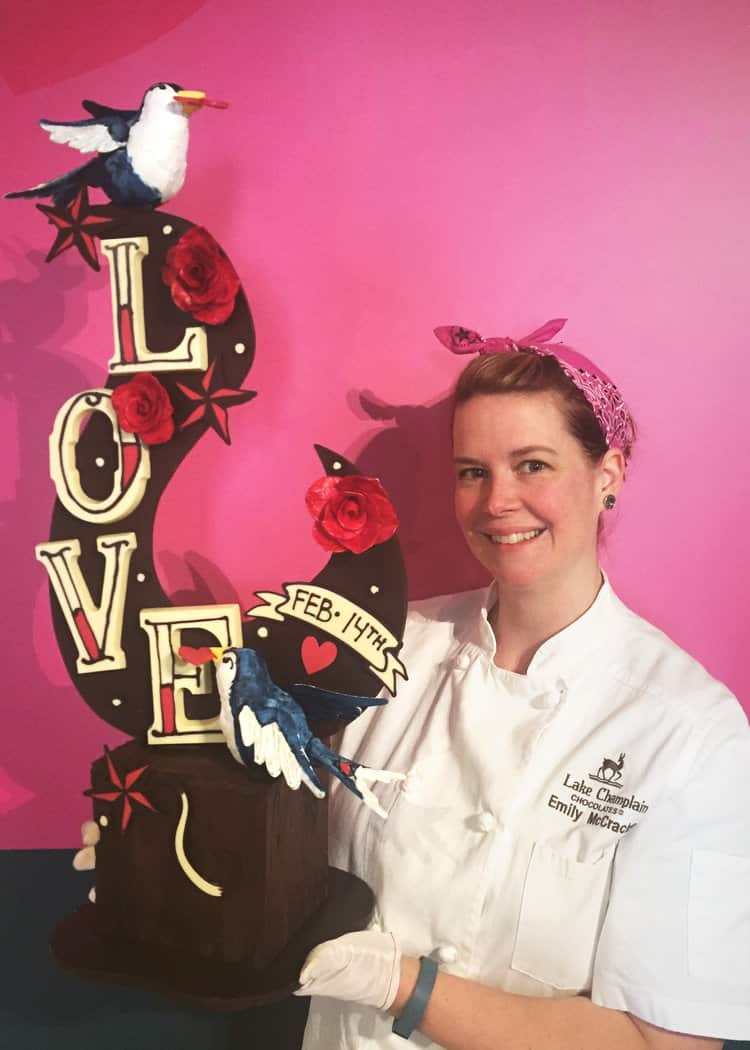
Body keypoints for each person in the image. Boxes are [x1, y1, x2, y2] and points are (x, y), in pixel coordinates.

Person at [293, 321, 750, 1050]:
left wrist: (405, 988)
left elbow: (667, 1041)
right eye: (473, 471)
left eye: (532, 465)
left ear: (609, 475)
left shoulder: (690, 730)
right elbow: (279, 823)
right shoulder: (384, 651)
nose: (497, 501)